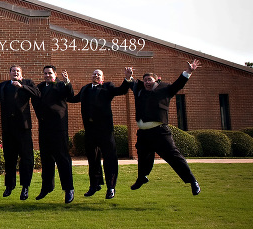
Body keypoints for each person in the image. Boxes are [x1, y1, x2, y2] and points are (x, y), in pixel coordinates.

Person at [126, 59, 201, 195]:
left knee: (174, 157)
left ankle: (192, 181)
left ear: (156, 80)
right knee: (143, 157)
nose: (147, 82)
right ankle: (142, 178)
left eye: (150, 80)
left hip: (160, 132)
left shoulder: (165, 90)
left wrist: (189, 71)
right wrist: (129, 76)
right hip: (143, 134)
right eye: (145, 80)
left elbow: (178, 84)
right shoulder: (140, 91)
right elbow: (132, 84)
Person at [68, 69, 129, 199]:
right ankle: (94, 185)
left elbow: (121, 90)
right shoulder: (85, 89)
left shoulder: (108, 87)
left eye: (98, 74)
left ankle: (111, 187)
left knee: (110, 158)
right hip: (90, 130)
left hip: (105, 130)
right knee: (92, 159)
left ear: (102, 77)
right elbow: (73, 99)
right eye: (94, 74)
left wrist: (127, 79)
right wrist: (66, 84)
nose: (96, 75)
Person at [0, 65, 40, 200]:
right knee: (9, 158)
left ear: (21, 74)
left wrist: (22, 87)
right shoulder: (2, 86)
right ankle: (9, 186)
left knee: (26, 158)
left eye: (18, 71)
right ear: (9, 73)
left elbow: (37, 94)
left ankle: (25, 187)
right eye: (13, 71)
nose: (15, 73)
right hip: (8, 128)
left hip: (23, 127)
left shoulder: (28, 83)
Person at [31, 66, 75, 204]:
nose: (47, 75)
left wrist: (67, 81)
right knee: (46, 159)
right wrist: (41, 116)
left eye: (50, 73)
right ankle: (47, 187)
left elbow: (70, 95)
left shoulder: (61, 85)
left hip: (59, 128)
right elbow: (35, 101)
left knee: (62, 159)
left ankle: (69, 189)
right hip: (44, 128)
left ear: (55, 74)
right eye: (45, 73)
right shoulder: (40, 87)